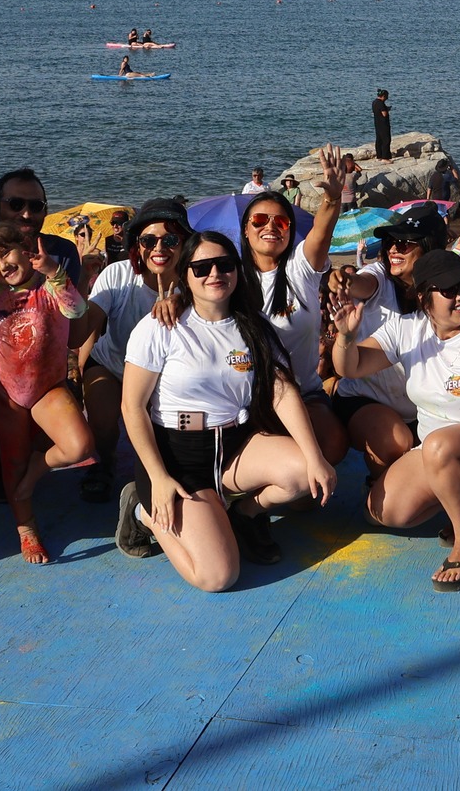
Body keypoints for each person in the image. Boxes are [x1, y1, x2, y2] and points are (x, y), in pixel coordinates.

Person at [118, 232, 338, 590]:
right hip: (177, 458)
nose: (215, 274)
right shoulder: (160, 327)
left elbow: (282, 391)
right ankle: (143, 512)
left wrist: (315, 457)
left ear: (238, 270)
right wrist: (158, 478)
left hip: (235, 445)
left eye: (224, 265)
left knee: (303, 471)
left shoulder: (252, 326)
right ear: (185, 274)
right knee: (218, 576)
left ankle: (245, 513)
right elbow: (132, 407)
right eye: (202, 267)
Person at [331, 249, 460, 590]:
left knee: (440, 445)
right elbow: (350, 367)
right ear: (423, 297)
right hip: (437, 451)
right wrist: (345, 337)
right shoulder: (407, 329)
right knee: (383, 512)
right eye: (449, 290)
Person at [0, 170, 98, 498]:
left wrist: (76, 282)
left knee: (63, 433)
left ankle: (33, 459)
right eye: (16, 204)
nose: (26, 214)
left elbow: (74, 332)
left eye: (36, 206)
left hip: (42, 365)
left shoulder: (59, 252)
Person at [0, 222, 94, 563]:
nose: (1, 266)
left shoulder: (51, 286)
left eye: (5, 254)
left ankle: (39, 467)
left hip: (47, 388)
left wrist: (53, 271)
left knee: (79, 446)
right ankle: (26, 528)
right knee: (13, 462)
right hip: (4, 392)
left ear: (25, 248)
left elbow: (77, 310)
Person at [93, 200, 195, 553]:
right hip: (111, 365)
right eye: (149, 240)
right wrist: (64, 286)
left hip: (162, 380)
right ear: (136, 244)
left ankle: (141, 492)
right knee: (104, 414)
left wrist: (181, 300)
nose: (158, 248)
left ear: (185, 243)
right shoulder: (118, 276)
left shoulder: (197, 280)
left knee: (171, 437)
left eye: (171, 239)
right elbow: (85, 330)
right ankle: (104, 463)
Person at [240, 146, 350, 468]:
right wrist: (173, 300)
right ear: (246, 230)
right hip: (249, 396)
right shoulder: (231, 276)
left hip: (305, 392)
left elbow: (322, 232)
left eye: (281, 222)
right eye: (260, 220)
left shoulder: (300, 268)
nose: (270, 227)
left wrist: (332, 198)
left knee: (333, 444)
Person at [327, 203, 443, 479]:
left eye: (404, 243)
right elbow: (363, 283)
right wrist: (343, 280)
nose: (393, 249)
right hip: (365, 398)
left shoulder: (444, 290)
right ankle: (378, 487)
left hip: (421, 407)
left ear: (428, 248)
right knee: (395, 442)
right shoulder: (380, 276)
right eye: (391, 241)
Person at [372, 89, 392, 160]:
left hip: (377, 123)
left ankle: (379, 156)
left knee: (379, 140)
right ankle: (385, 157)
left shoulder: (374, 102)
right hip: (383, 124)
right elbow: (384, 114)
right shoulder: (381, 103)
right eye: (386, 96)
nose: (387, 98)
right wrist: (387, 110)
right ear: (383, 96)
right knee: (386, 140)